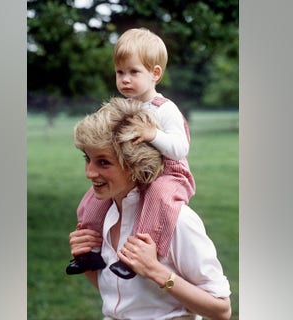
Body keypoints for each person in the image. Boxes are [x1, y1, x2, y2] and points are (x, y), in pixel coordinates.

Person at [69, 98, 231, 320]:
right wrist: (87, 260)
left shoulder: (177, 220)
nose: (89, 172)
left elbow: (221, 310)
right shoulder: (105, 213)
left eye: (103, 162)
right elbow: (122, 300)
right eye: (88, 159)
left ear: (135, 163)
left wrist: (156, 271)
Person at [66, 27, 196, 279]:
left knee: (158, 197)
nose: (124, 79)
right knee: (93, 199)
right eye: (120, 72)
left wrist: (152, 135)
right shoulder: (125, 106)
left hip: (168, 174)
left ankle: (137, 256)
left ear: (155, 73)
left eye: (133, 72)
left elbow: (180, 149)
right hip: (133, 171)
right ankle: (89, 250)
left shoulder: (164, 108)